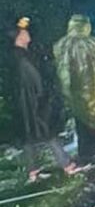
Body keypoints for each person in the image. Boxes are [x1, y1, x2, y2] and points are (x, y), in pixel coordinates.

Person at [11, 19, 76, 180]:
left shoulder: (18, 55)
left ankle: (32, 170)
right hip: (33, 102)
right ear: (19, 37)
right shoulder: (22, 58)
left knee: (29, 134)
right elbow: (36, 80)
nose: (27, 34)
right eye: (24, 32)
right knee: (47, 131)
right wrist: (44, 96)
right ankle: (66, 164)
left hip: (25, 103)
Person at [54, 15, 95, 162]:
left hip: (71, 89)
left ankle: (83, 152)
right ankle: (94, 150)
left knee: (79, 119)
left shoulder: (61, 44)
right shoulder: (90, 42)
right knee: (94, 118)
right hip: (92, 88)